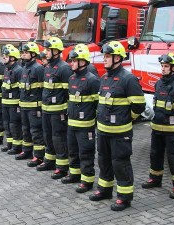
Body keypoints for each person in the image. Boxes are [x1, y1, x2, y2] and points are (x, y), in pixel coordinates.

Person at [88, 41, 145, 211]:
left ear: (117, 58)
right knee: (104, 162)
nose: (104, 59)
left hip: (120, 133)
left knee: (120, 164)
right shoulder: (104, 78)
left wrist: (127, 119)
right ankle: (104, 190)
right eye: (104, 56)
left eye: (107, 56)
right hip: (103, 131)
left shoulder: (128, 79)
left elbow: (139, 106)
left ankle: (124, 197)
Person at [141, 52, 174, 199]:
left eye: (166, 66)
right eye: (162, 66)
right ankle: (155, 179)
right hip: (157, 129)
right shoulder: (159, 83)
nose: (163, 69)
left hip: (173, 131)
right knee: (155, 154)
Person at [61, 44, 100, 193]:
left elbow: (98, 104)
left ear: (83, 61)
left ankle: (87, 180)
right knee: (73, 150)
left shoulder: (92, 80)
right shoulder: (71, 78)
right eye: (71, 61)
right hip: (72, 123)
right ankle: (75, 175)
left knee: (86, 153)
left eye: (74, 61)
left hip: (86, 125)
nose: (71, 63)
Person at [36, 37, 72, 180]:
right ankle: (49, 161)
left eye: (48, 50)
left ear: (56, 51)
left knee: (59, 138)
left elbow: (68, 93)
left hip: (58, 112)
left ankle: (62, 167)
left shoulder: (64, 68)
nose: (45, 52)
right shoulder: (48, 67)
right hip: (47, 110)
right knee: (48, 136)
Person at [17, 42, 46, 165]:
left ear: (33, 54)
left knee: (36, 131)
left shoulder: (38, 68)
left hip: (34, 106)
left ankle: (39, 156)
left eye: (26, 53)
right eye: (22, 53)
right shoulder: (25, 67)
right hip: (24, 104)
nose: (23, 55)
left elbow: (43, 88)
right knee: (25, 129)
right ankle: (27, 150)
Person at [1, 47, 23, 154]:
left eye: (6, 56)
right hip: (5, 101)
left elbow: (20, 89)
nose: (4, 58)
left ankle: (17, 146)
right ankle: (9, 144)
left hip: (14, 103)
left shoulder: (19, 70)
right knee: (7, 124)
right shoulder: (6, 69)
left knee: (14, 125)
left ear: (12, 58)